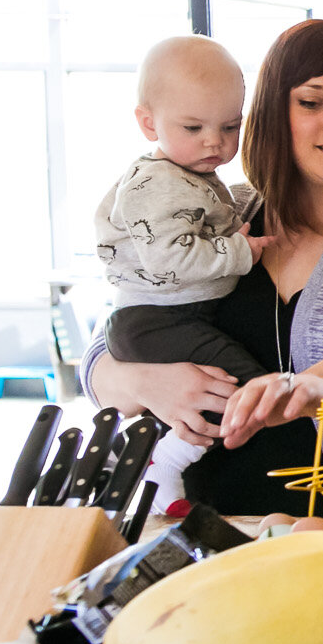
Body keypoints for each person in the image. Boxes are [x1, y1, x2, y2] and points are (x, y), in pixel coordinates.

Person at [83, 19, 323, 515]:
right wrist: (145, 384)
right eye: (312, 102)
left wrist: (316, 385)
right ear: (271, 113)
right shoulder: (225, 213)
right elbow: (104, 352)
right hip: (208, 533)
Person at [93, 35, 275, 503]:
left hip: (169, 317)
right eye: (193, 127)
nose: (214, 141)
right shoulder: (157, 185)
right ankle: (166, 461)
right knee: (246, 386)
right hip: (156, 320)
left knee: (227, 386)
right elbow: (170, 259)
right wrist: (242, 252)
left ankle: (154, 450)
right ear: (148, 123)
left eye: (230, 126)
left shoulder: (192, 176)